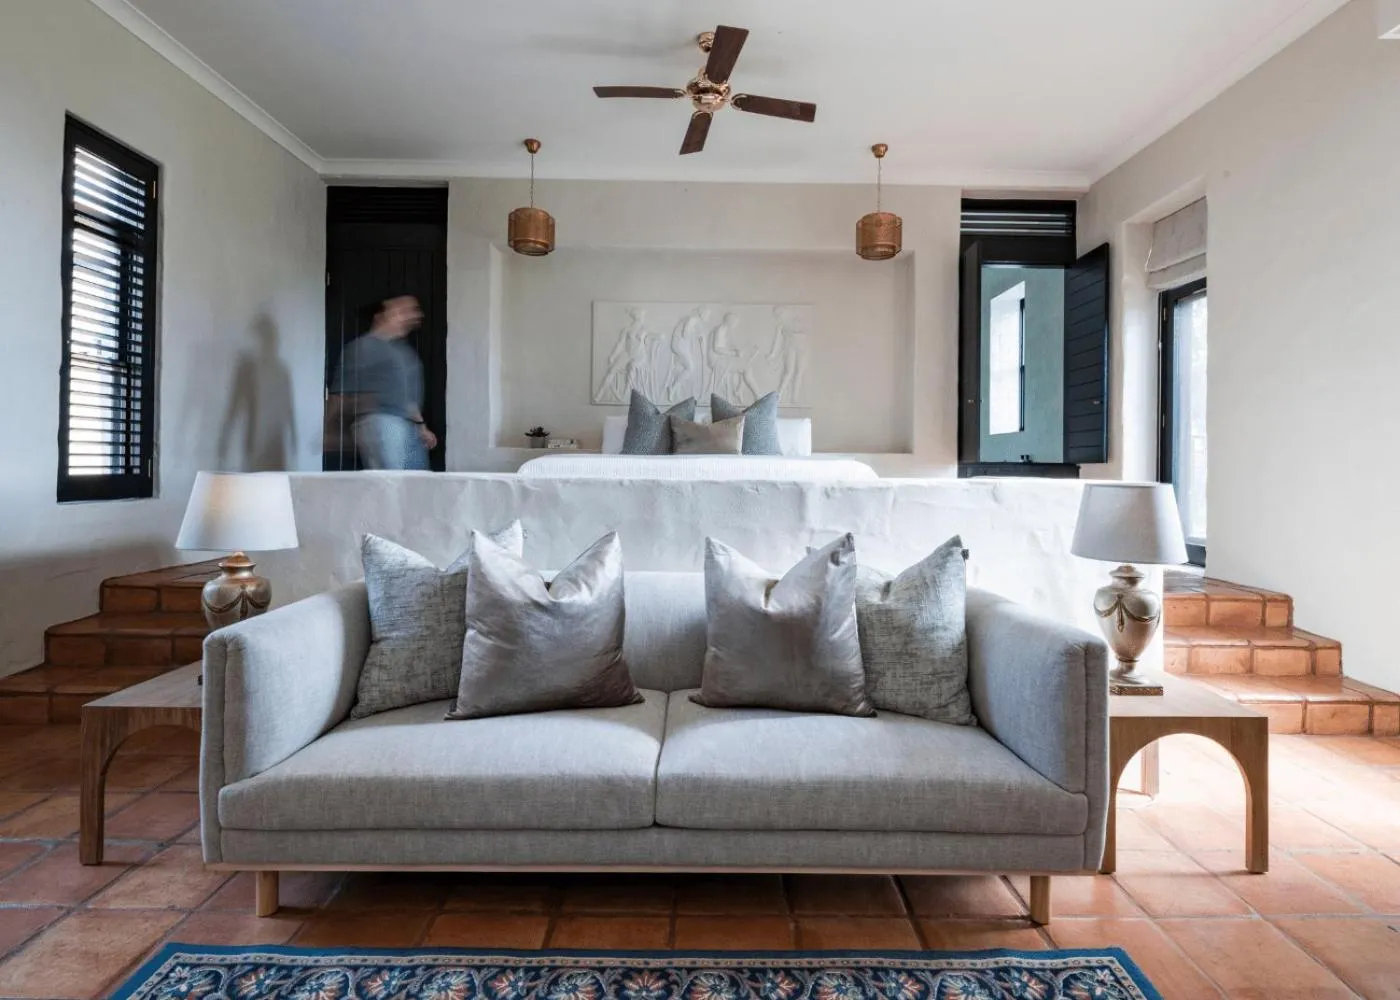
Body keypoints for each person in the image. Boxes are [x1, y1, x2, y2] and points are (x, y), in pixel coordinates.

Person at [330, 294, 436, 470]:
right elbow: (342, 390)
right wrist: (330, 430)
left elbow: (406, 396)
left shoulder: (403, 352)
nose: (413, 315)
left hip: (407, 426)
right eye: (404, 309)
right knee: (390, 485)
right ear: (385, 314)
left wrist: (421, 426)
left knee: (416, 484)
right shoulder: (363, 346)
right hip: (380, 423)